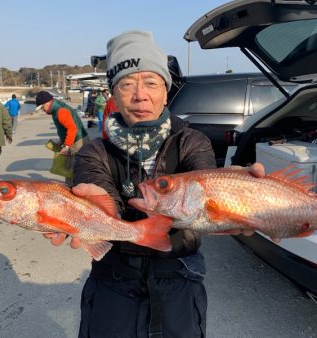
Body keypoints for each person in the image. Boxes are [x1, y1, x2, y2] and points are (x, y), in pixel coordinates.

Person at [44, 30, 263, 338]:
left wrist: (231, 193)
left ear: (165, 89)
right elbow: (100, 193)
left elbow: (204, 184)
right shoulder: (95, 151)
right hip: (113, 276)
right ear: (113, 93)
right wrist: (89, 210)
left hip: (179, 272)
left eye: (150, 82)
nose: (140, 95)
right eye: (127, 84)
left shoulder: (191, 141)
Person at [35, 91, 89, 185]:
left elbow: (72, 129)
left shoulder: (60, 111)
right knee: (71, 168)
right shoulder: (57, 109)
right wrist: (62, 141)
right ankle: (72, 187)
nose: (42, 110)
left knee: (72, 169)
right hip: (76, 139)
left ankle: (73, 190)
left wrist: (67, 146)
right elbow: (66, 128)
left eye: (42, 107)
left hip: (77, 141)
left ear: (47, 103)